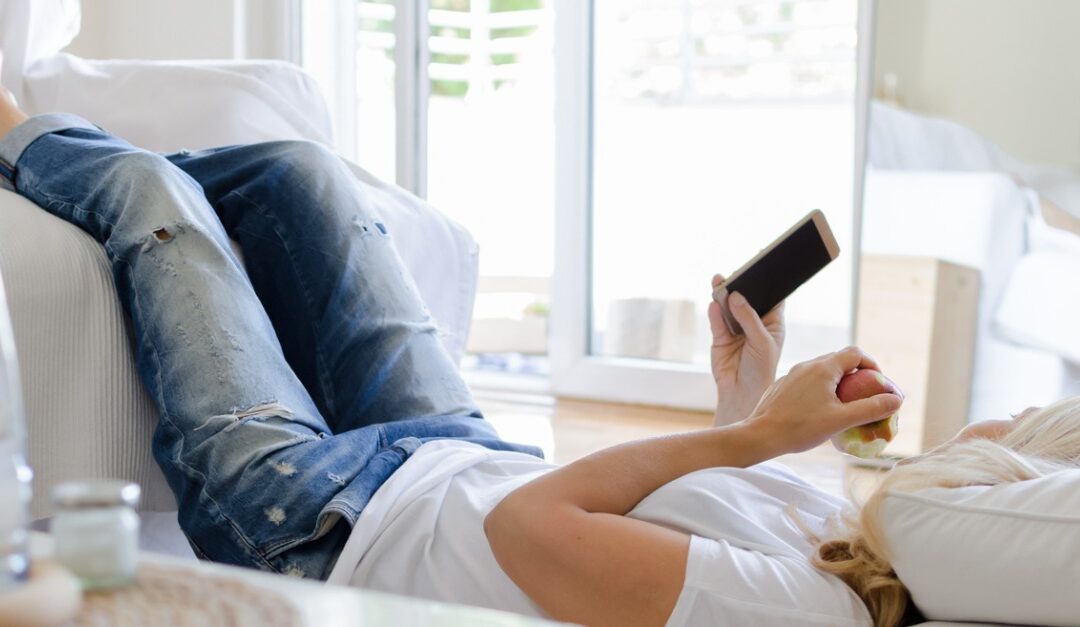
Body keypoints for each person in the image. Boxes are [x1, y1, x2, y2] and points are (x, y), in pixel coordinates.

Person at [3, 85, 1077, 627]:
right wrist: (742, 398)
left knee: (161, 205)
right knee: (299, 174)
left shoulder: (806, 616)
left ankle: (21, 130)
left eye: (1007, 444)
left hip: (313, 526)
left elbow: (533, 530)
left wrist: (758, 437)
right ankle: (73, 167)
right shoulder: (847, 548)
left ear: (984, 501)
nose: (991, 423)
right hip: (447, 453)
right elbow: (657, 520)